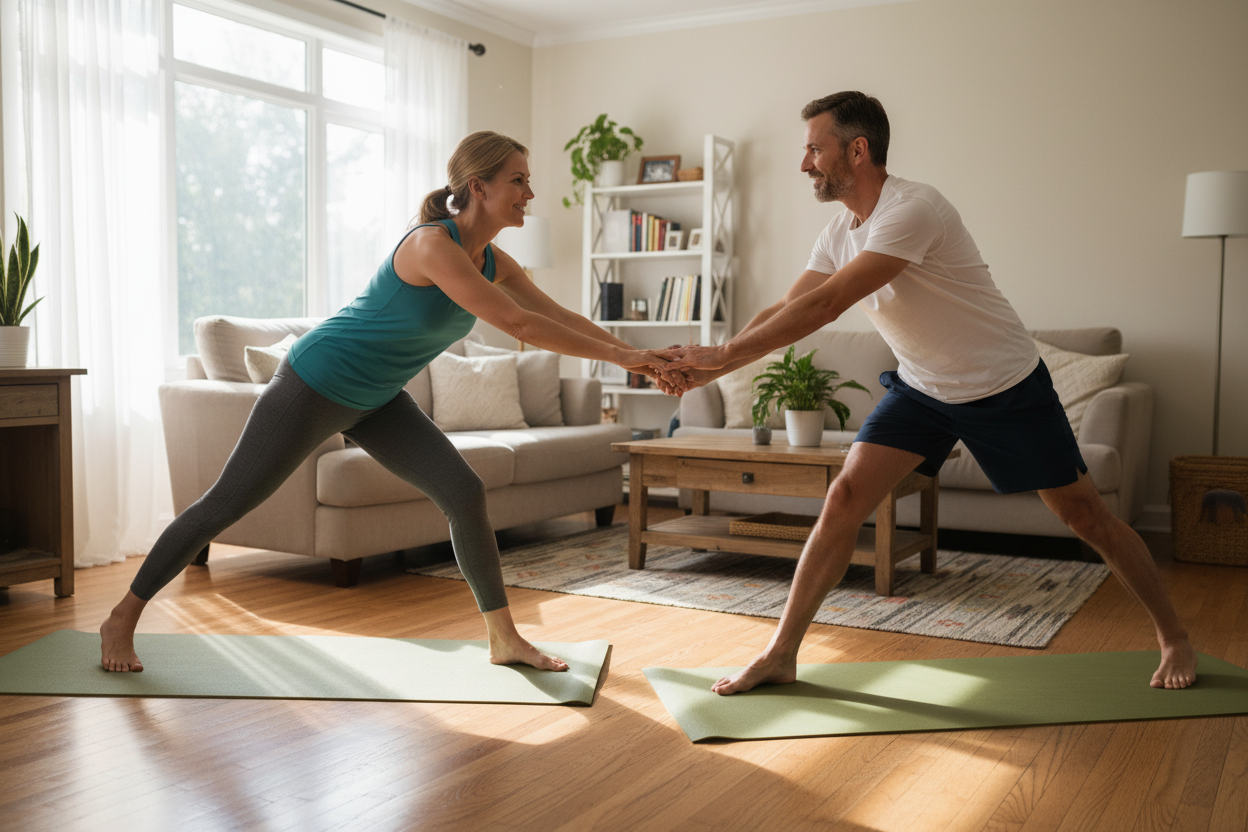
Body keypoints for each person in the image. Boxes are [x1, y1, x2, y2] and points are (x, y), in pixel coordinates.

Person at [664, 92, 1198, 693]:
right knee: (844, 498)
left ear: (857, 150)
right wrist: (717, 366)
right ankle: (781, 652)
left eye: (815, 148)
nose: (805, 163)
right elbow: (788, 305)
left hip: (1003, 387)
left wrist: (725, 357)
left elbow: (828, 304)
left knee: (1084, 516)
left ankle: (1174, 635)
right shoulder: (840, 230)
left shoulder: (914, 209)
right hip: (923, 390)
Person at [100, 131, 674, 673]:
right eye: (519, 180)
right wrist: (631, 362)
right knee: (224, 505)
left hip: (376, 399)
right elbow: (519, 323)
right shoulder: (432, 245)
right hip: (314, 383)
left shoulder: (493, 260)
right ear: (479, 186)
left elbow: (559, 317)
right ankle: (121, 618)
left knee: (463, 491)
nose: (530, 193)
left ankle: (503, 638)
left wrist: (643, 357)